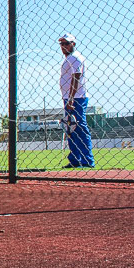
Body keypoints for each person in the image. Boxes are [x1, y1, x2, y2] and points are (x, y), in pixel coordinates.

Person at [58, 33, 94, 168]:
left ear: (73, 44)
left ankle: (86, 160)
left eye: (66, 43)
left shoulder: (75, 58)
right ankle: (75, 159)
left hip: (76, 98)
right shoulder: (69, 58)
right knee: (71, 128)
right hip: (69, 97)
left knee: (79, 127)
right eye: (62, 44)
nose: (63, 46)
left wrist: (71, 98)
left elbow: (76, 77)